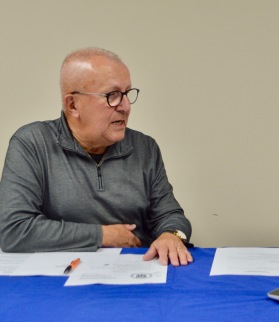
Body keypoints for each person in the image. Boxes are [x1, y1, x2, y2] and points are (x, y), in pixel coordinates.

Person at [0, 47, 193, 266]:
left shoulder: (144, 147)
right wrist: (102, 236)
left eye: (127, 93)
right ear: (73, 105)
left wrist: (172, 235)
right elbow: (13, 229)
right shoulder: (32, 143)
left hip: (134, 275)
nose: (126, 107)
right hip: (58, 282)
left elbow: (172, 216)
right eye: (112, 96)